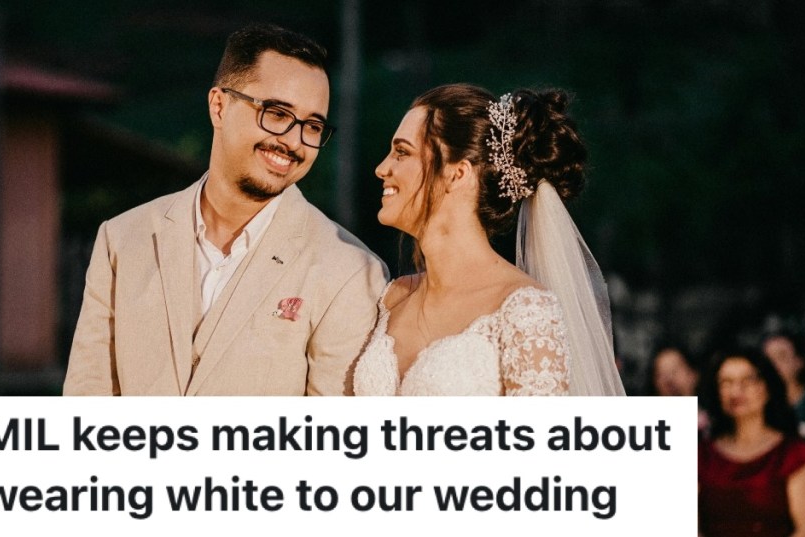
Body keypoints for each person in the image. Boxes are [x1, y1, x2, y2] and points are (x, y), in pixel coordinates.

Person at [64, 24, 387, 396]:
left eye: (312, 126)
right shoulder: (122, 238)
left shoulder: (350, 271)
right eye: (276, 114)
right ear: (219, 106)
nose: (293, 141)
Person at [353, 84, 624, 396]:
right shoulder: (392, 298)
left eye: (402, 152)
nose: (381, 168)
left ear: (457, 173)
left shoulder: (524, 309)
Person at [698, 349, 805, 537]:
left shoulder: (792, 453)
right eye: (726, 382)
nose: (736, 391)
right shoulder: (701, 455)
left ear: (768, 387)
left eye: (747, 380)